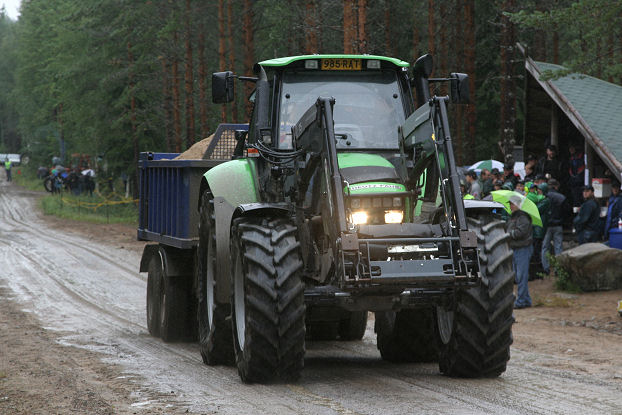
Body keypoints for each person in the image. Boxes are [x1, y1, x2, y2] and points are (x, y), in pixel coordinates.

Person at [507, 199, 534, 309]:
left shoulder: (523, 217)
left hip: (522, 249)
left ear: (518, 205)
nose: (510, 206)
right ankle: (526, 299)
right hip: (515, 248)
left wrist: (508, 234)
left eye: (512, 204)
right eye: (510, 204)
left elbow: (520, 233)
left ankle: (522, 301)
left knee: (521, 276)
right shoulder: (513, 217)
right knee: (518, 277)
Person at [542, 179, 570, 275]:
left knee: (545, 247)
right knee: (558, 247)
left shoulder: (543, 197)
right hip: (558, 225)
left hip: (546, 226)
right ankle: (558, 269)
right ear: (556, 186)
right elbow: (567, 212)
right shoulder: (561, 197)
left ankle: (545, 269)